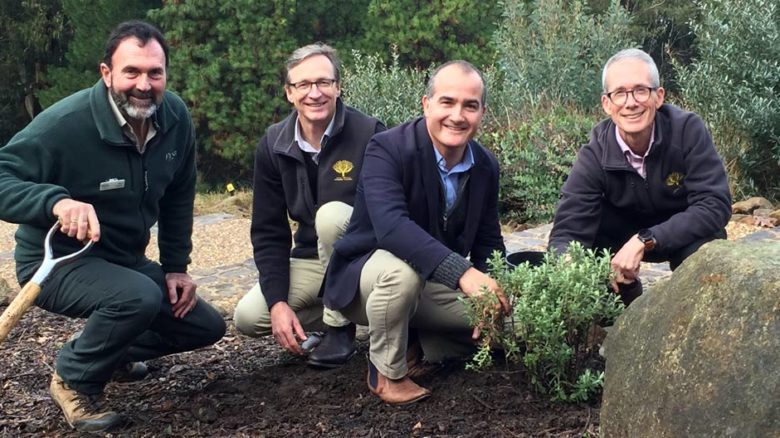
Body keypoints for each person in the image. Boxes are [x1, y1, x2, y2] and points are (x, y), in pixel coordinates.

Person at [0, 21, 226, 432]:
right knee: (137, 297)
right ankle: (73, 379)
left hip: (121, 260)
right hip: (55, 263)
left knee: (204, 325)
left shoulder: (174, 117)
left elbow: (179, 196)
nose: (144, 84)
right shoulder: (65, 125)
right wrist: (55, 201)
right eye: (131, 72)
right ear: (107, 74)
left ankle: (106, 352)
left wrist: (176, 266)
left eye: (154, 73)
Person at [321, 61, 508, 405]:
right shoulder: (386, 149)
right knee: (401, 273)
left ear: (482, 112)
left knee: (509, 327)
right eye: (447, 102)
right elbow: (393, 228)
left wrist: (491, 292)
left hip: (432, 282)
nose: (458, 115)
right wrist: (464, 273)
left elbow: (489, 242)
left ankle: (423, 342)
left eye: (470, 105)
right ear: (426, 104)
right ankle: (386, 372)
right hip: (369, 279)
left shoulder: (485, 165)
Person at [232, 43, 385, 368]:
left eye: (323, 83)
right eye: (303, 84)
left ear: (338, 87)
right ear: (289, 92)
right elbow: (268, 232)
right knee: (249, 317)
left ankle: (338, 328)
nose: (314, 93)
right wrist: (277, 302)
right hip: (312, 259)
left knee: (331, 217)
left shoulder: (370, 133)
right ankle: (344, 312)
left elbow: (385, 214)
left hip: (364, 259)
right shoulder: (274, 144)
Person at [548, 48, 732, 305]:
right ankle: (626, 293)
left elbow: (715, 205)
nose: (631, 102)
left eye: (640, 90)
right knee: (589, 277)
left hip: (680, 236)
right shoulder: (594, 153)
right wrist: (569, 267)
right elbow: (566, 232)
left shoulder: (687, 130)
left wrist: (646, 239)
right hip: (618, 244)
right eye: (620, 93)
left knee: (706, 258)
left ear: (658, 97)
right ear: (607, 104)